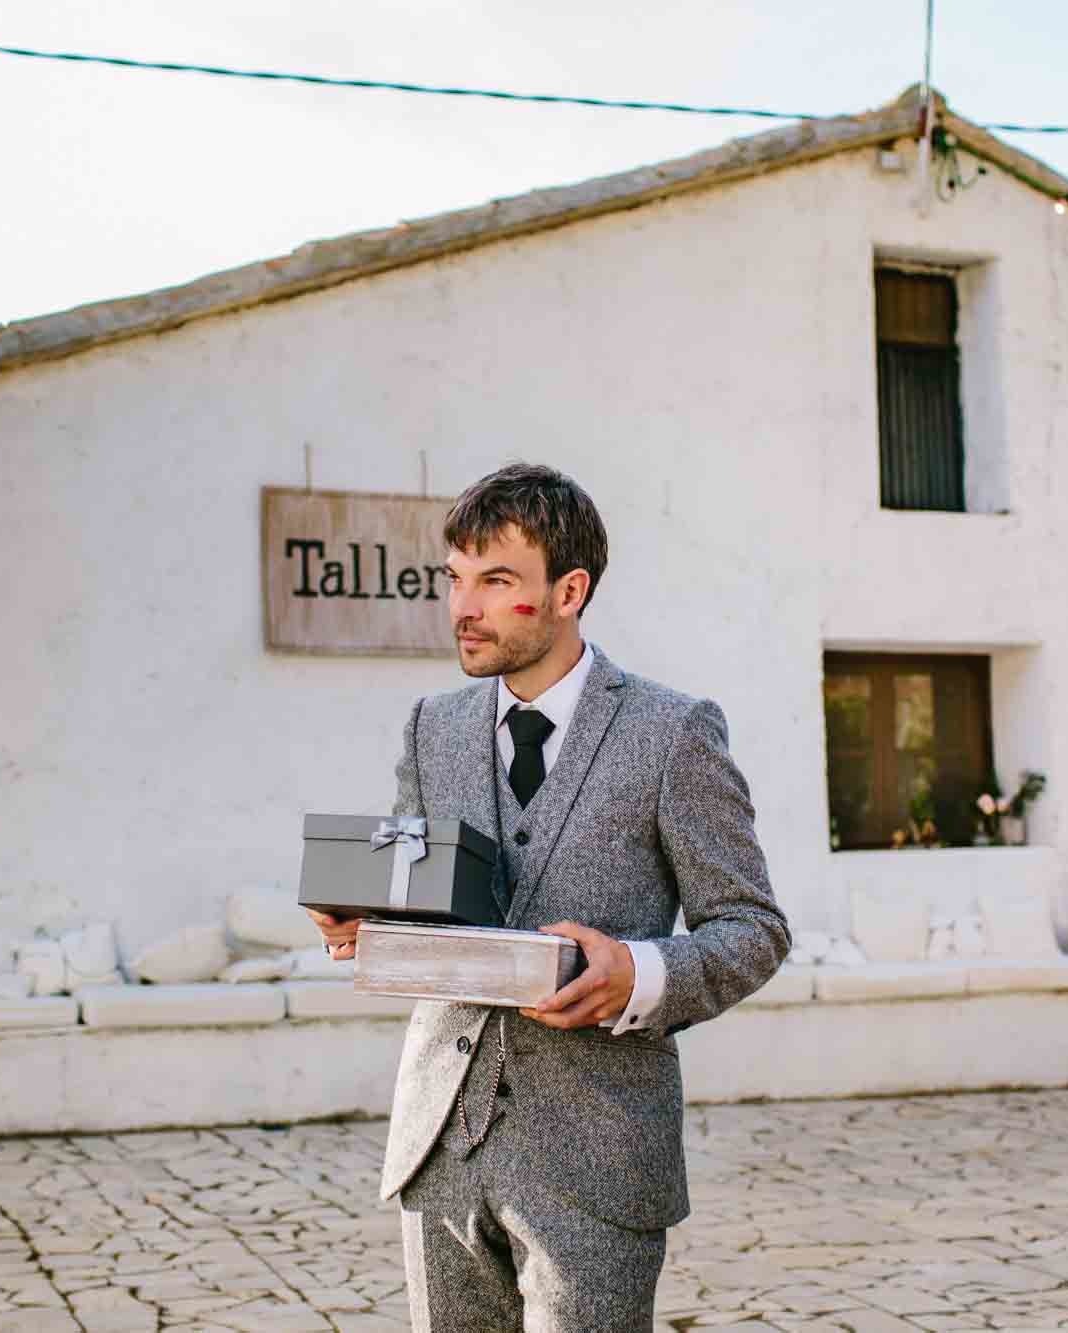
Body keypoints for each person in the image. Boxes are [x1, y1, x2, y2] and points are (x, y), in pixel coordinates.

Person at [307, 462, 790, 1331]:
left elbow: (752, 927)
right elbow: (428, 888)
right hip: (442, 1143)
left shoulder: (672, 732)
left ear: (570, 589)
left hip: (598, 1155)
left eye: (497, 581)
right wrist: (366, 917)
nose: (465, 606)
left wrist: (637, 974)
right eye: (455, 578)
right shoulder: (433, 724)